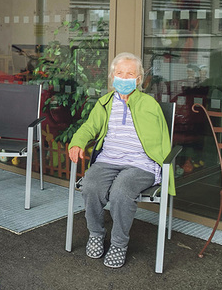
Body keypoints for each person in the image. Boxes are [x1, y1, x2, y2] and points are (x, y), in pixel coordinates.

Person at [68, 52, 174, 268]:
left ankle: (118, 244)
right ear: (112, 76)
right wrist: (77, 142)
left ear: (138, 79)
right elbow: (90, 127)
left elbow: (161, 139)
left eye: (130, 74)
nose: (124, 78)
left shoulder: (148, 104)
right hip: (109, 160)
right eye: (120, 73)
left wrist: (164, 169)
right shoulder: (105, 103)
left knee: (121, 190)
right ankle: (96, 234)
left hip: (140, 164)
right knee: (91, 185)